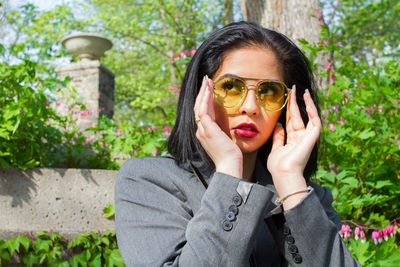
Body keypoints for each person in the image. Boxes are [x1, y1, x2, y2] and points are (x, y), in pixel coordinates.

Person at [115, 21, 360, 266]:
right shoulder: (147, 180)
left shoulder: (306, 195)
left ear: (287, 105)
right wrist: (230, 175)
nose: (250, 107)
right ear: (201, 94)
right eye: (231, 87)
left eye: (269, 92)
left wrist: (290, 182)